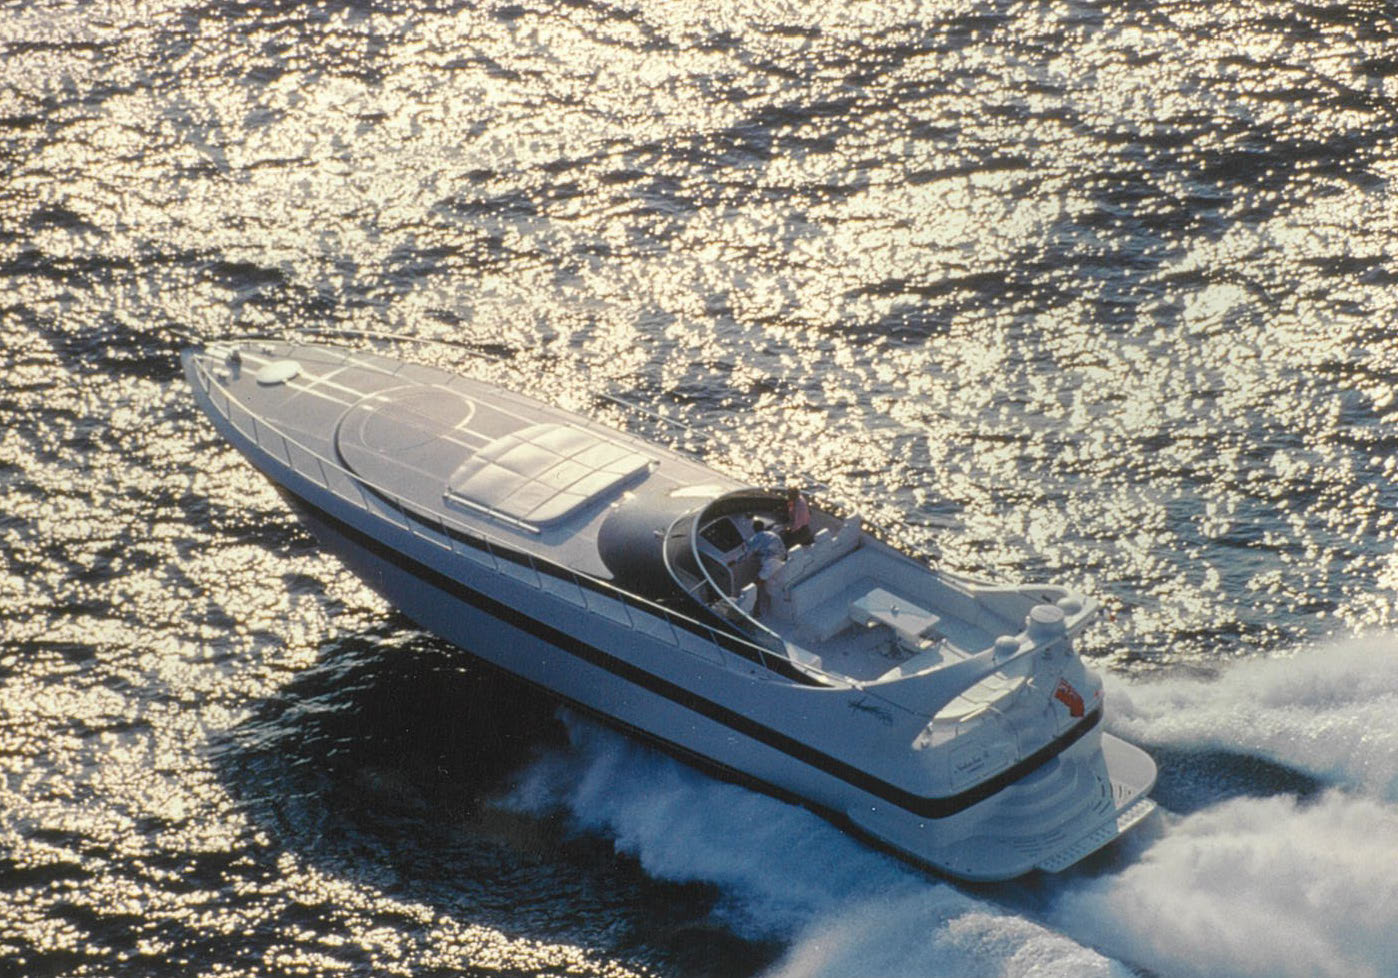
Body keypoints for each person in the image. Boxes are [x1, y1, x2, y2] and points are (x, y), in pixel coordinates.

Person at [737, 519, 786, 618]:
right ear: (763, 527)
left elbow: (748, 554)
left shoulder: (755, 538)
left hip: (770, 564)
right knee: (761, 582)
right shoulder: (773, 534)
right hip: (781, 561)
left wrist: (736, 561)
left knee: (755, 586)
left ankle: (756, 611)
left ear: (754, 529)